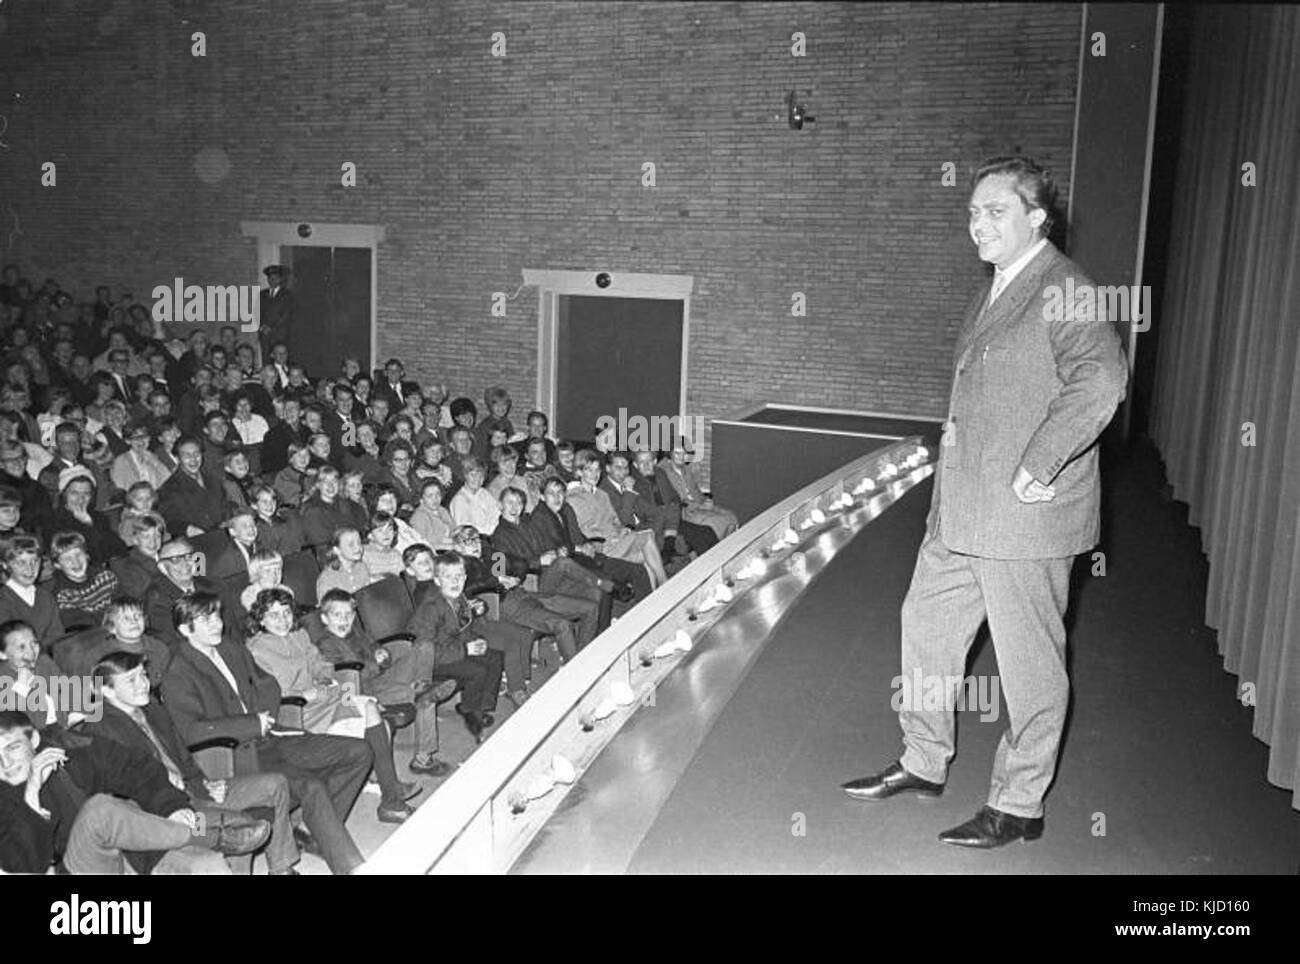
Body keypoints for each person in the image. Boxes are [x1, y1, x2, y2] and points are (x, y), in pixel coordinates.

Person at [841, 156, 1128, 848]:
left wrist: (1040, 461)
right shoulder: (997, 288)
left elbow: (1102, 380)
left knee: (1030, 667)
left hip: (1026, 518)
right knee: (927, 628)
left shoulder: (1066, 288)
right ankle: (923, 759)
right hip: (963, 514)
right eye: (971, 212)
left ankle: (1020, 803)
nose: (977, 225)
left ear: (1038, 217)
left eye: (994, 211)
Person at [160, 592, 371, 874]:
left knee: (358, 752)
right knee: (311, 786)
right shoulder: (177, 671)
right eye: (204, 619)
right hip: (235, 755)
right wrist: (250, 724)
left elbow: (268, 685)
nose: (216, 624)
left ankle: (314, 829)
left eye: (216, 615)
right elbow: (192, 731)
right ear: (185, 629)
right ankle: (351, 867)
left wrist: (262, 718)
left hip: (273, 735)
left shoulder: (231, 648)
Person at [86, 650, 301, 874]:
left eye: (143, 675)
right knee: (241, 826)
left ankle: (281, 868)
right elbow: (120, 791)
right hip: (160, 812)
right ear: (106, 689)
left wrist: (208, 783)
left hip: (194, 790)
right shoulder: (100, 727)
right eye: (131, 680)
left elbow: (184, 758)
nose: (143, 684)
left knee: (275, 784)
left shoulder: (153, 709)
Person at [0, 708, 271, 875]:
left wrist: (174, 809)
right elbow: (23, 868)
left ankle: (205, 836)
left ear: (34, 740)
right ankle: (205, 838)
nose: (5, 764)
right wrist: (31, 798)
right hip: (73, 876)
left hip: (132, 850)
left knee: (233, 827)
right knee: (100, 810)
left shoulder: (71, 751)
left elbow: (136, 768)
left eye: (11, 748)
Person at [245, 588, 420, 823]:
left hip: (327, 698)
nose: (283, 620)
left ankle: (390, 794)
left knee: (372, 708)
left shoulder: (299, 635)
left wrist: (325, 681)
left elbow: (322, 665)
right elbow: (274, 693)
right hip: (297, 712)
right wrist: (309, 693)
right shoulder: (257, 649)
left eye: (286, 613)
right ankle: (390, 796)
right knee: (371, 722)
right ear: (260, 619)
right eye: (274, 615)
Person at [310, 588, 454, 777]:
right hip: (363, 692)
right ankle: (423, 757)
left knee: (425, 648)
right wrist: (376, 663)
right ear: (324, 619)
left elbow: (374, 646)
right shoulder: (326, 645)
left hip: (382, 677)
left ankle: (422, 687)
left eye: (349, 615)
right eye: (337, 615)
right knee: (424, 696)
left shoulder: (356, 631)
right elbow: (348, 678)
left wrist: (382, 653)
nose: (344, 620)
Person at [406, 551, 505, 741]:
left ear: (465, 577)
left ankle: (478, 708)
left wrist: (475, 641)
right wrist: (466, 649)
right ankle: (474, 717)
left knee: (494, 658)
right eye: (448, 577)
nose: (455, 581)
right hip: (432, 662)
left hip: (453, 649)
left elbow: (462, 630)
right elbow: (427, 651)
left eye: (459, 576)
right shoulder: (431, 608)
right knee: (477, 671)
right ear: (436, 580)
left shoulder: (459, 598)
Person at [48, 530, 121, 629]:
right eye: (67, 558)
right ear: (57, 565)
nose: (75, 561)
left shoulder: (106, 577)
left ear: (87, 555)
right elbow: (80, 627)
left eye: (78, 554)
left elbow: (124, 607)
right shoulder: (63, 595)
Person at [0, 535, 64, 645]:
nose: (30, 569)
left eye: (34, 561)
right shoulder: (4, 601)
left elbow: (57, 635)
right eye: (21, 563)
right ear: (5, 565)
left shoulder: (45, 596)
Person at [157, 436, 225, 536]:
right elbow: (171, 521)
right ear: (178, 458)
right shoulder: (170, 488)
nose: (193, 459)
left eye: (196, 454)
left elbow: (225, 506)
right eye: (186, 455)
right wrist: (187, 529)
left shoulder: (213, 479)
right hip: (193, 541)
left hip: (221, 534)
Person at [409, 477, 454, 551]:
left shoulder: (442, 510)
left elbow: (454, 532)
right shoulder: (418, 517)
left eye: (438, 494)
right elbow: (422, 546)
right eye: (430, 496)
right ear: (421, 499)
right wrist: (450, 546)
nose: (435, 499)